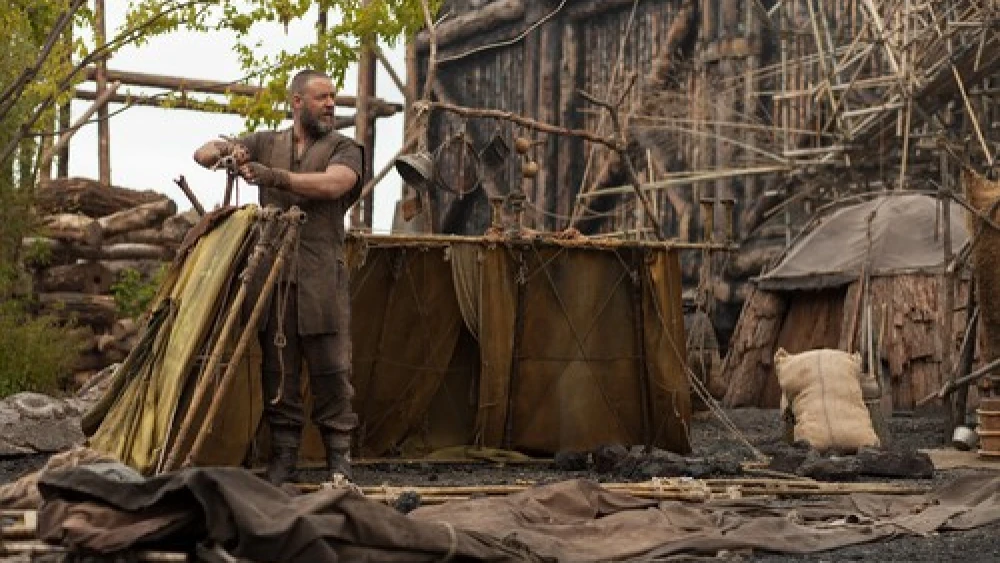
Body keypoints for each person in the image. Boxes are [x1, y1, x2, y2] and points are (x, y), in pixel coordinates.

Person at [193, 69, 364, 485]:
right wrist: (229, 152)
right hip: (274, 278)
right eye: (322, 97)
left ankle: (339, 461)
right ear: (297, 102)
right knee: (278, 370)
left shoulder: (343, 147)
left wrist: (276, 178)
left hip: (321, 276)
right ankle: (283, 458)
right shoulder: (267, 142)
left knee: (331, 370)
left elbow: (335, 184)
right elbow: (201, 154)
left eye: (333, 99)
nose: (330, 105)